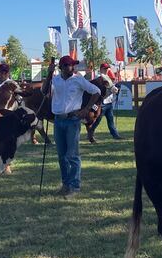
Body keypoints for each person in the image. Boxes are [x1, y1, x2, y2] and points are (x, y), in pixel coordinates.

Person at [43, 55, 101, 197]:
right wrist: (49, 73)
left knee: (72, 155)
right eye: (69, 65)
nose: (73, 67)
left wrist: (86, 109)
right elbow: (44, 91)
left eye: (73, 65)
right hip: (58, 120)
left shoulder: (78, 79)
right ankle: (65, 185)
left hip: (72, 121)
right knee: (61, 156)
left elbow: (96, 92)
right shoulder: (55, 80)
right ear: (62, 67)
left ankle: (74, 187)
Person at [87, 63, 121, 142]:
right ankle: (90, 133)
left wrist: (116, 88)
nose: (106, 70)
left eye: (107, 69)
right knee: (97, 120)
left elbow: (112, 88)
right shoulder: (97, 79)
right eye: (105, 69)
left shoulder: (108, 78)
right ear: (101, 69)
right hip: (101, 103)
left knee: (110, 119)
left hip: (109, 102)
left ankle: (115, 135)